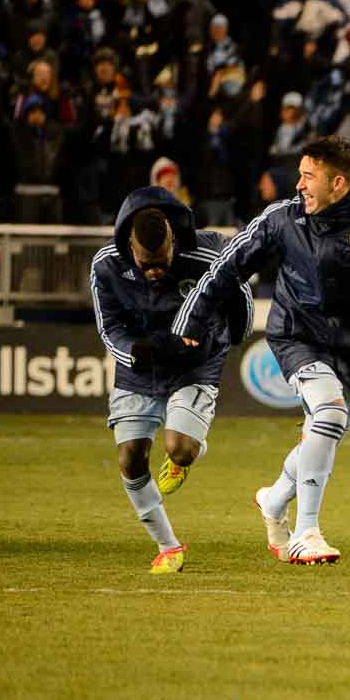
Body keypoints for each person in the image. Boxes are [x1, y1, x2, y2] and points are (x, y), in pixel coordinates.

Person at [173, 137, 350, 564]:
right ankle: (307, 532)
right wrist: (191, 317)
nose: (300, 185)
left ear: (339, 183)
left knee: (323, 436)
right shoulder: (282, 218)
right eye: (301, 175)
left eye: (309, 177)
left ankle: (274, 499)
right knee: (328, 414)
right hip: (298, 334)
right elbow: (228, 265)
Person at [91, 188, 247, 572]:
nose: (155, 271)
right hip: (139, 363)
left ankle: (185, 456)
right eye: (146, 264)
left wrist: (229, 334)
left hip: (195, 361)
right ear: (130, 245)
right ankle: (168, 546)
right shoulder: (106, 265)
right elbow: (108, 326)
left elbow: (239, 294)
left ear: (173, 241)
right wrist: (136, 352)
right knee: (130, 458)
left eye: (162, 261)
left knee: (180, 449)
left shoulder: (207, 254)